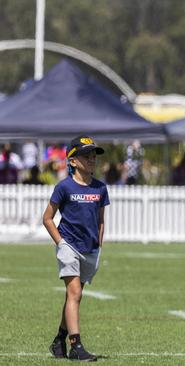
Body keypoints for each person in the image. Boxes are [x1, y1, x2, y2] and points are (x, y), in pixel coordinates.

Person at [42, 136, 110, 361]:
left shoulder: (100, 188)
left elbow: (100, 220)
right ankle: (76, 346)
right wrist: (60, 243)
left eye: (93, 156)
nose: (92, 159)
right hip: (68, 246)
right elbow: (48, 218)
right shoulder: (64, 187)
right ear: (72, 161)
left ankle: (59, 339)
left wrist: (99, 243)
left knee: (74, 295)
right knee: (75, 294)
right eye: (86, 156)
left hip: (90, 250)